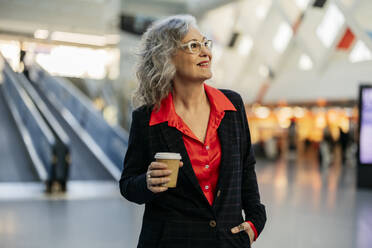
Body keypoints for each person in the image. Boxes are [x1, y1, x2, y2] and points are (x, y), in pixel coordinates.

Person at [120, 15, 266, 248]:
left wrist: (256, 221)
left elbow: (246, 167)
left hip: (227, 242)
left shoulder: (232, 106)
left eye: (205, 44)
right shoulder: (147, 118)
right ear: (167, 57)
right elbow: (127, 185)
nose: (206, 52)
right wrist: (147, 182)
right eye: (193, 46)